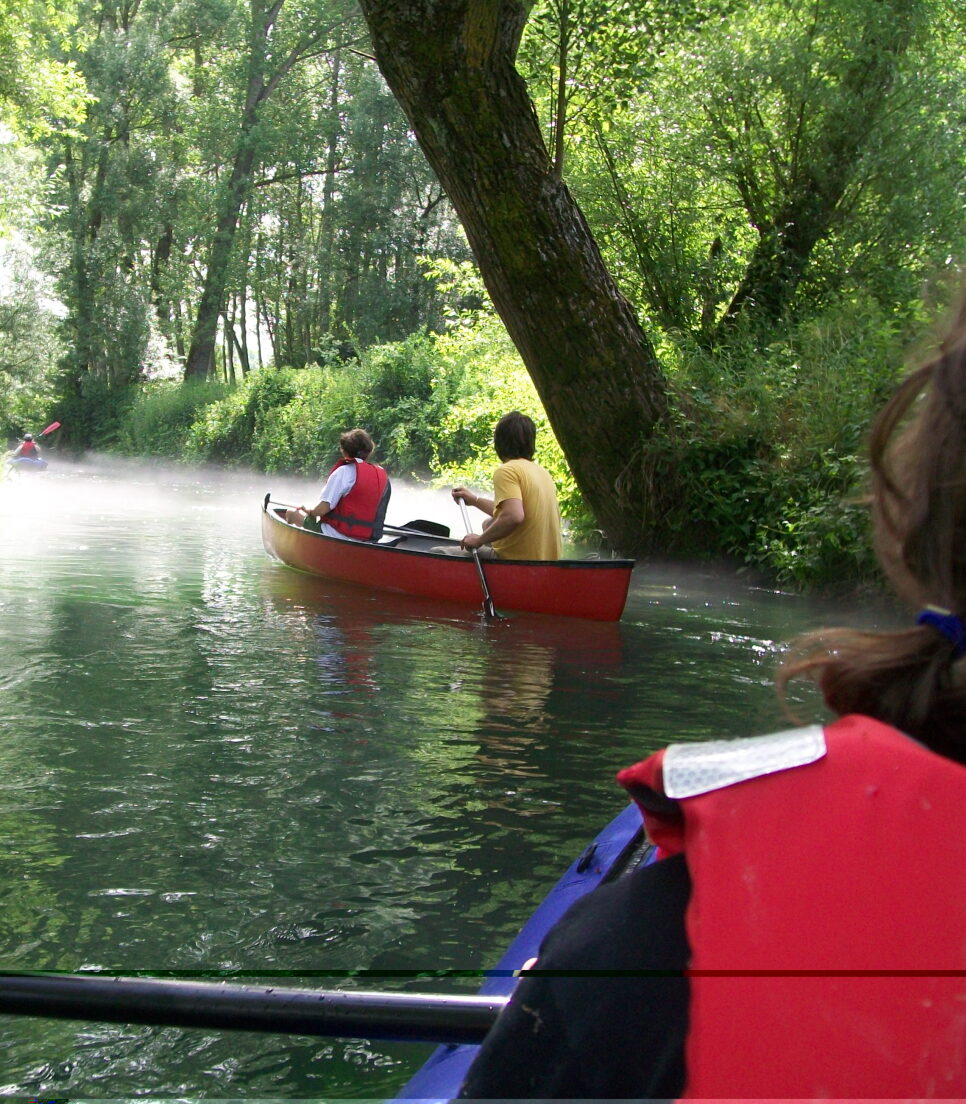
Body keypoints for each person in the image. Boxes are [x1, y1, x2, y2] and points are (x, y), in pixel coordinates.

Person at [457, 295, 966, 1098]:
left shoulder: (651, 931)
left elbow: (511, 515)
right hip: (554, 588)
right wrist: (480, 512)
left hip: (520, 595)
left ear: (917, 521)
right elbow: (523, 508)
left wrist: (474, 538)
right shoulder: (540, 467)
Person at [449, 411, 562, 560]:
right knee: (488, 524)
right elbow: (510, 511)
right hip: (546, 563)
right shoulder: (542, 473)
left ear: (499, 441)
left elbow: (513, 516)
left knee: (438, 553)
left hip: (519, 563)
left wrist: (479, 540)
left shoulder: (507, 471)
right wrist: (474, 500)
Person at [285, 428, 390, 542]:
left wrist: (311, 512)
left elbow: (322, 509)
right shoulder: (383, 477)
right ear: (369, 452)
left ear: (344, 451)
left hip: (335, 535)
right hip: (367, 540)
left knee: (290, 513)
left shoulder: (343, 472)